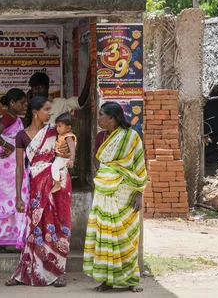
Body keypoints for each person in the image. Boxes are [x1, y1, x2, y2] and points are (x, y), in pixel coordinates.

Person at [6, 96, 72, 287]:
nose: (50, 113)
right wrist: (18, 196)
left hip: (57, 183)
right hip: (36, 185)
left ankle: (58, 272)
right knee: (35, 228)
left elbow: (68, 148)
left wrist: (66, 154)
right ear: (36, 112)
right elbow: (20, 167)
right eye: (46, 109)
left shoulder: (55, 130)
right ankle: (28, 270)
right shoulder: (22, 136)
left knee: (59, 226)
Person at [83, 102, 147, 293]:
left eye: (101, 115)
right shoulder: (101, 136)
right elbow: (97, 159)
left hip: (125, 193)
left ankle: (131, 279)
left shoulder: (131, 136)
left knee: (125, 236)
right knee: (104, 235)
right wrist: (105, 175)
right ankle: (106, 280)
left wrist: (139, 193)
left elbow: (139, 164)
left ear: (112, 118)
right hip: (104, 191)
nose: (98, 118)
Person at [0, 89, 29, 254]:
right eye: (22, 102)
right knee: (9, 201)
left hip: (12, 163)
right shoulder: (8, 118)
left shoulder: (15, 119)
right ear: (12, 103)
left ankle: (3, 240)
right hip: (8, 165)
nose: (25, 105)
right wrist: (10, 147)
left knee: (10, 201)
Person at [25, 69, 91, 126]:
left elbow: (80, 102)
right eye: (34, 88)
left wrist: (88, 81)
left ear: (47, 87)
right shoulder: (30, 107)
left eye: (40, 87)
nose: (37, 91)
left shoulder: (59, 104)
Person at [51, 113, 76, 194]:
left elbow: (72, 148)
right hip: (59, 158)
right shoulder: (61, 135)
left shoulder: (68, 137)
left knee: (54, 167)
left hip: (63, 159)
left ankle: (57, 184)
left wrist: (72, 159)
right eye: (57, 126)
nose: (57, 128)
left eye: (59, 126)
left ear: (68, 127)